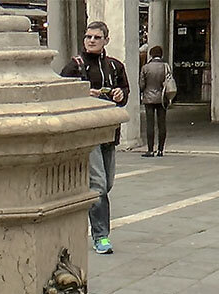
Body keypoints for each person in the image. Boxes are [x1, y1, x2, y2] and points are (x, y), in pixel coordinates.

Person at [60, 21, 129, 255]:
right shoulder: (74, 66)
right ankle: (101, 236)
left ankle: (77, 214)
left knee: (106, 184)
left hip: (110, 132)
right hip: (88, 135)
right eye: (88, 36)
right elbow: (61, 94)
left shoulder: (115, 67)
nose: (91, 40)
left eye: (96, 37)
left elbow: (125, 93)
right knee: (98, 185)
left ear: (106, 41)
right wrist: (83, 92)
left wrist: (120, 94)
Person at [140, 45, 170, 157]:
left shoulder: (145, 68)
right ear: (161, 54)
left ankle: (150, 149)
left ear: (151, 54)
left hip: (148, 98)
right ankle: (161, 149)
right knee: (162, 124)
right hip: (162, 98)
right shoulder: (165, 66)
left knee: (150, 124)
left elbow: (141, 84)